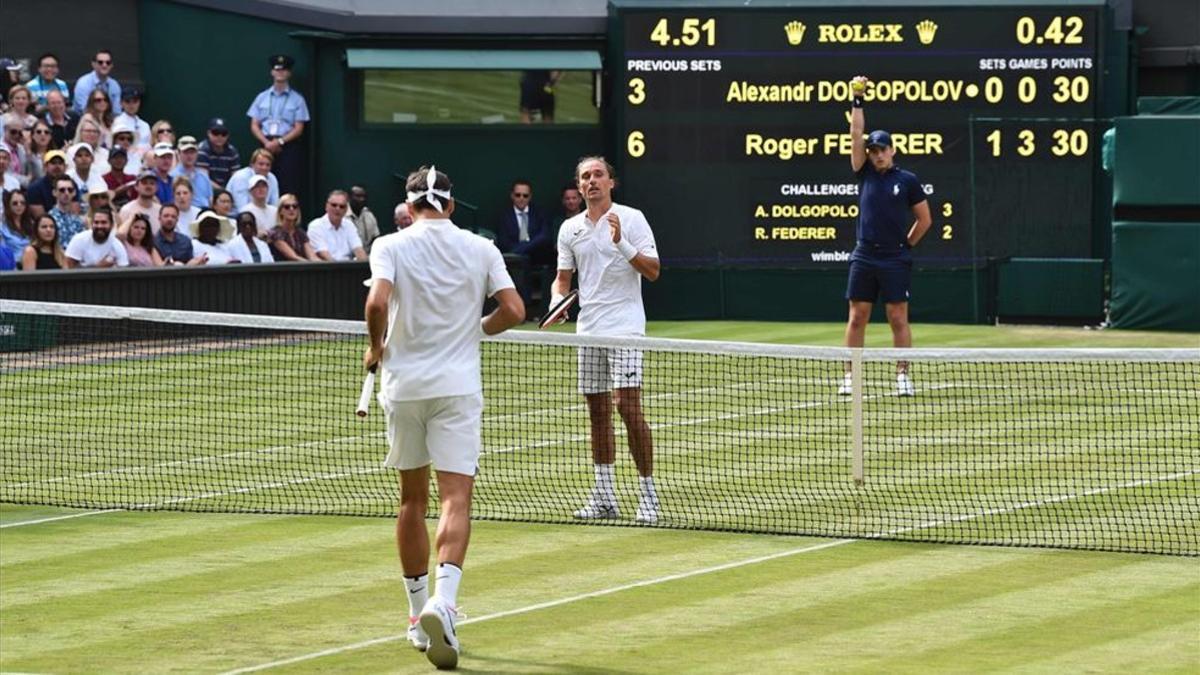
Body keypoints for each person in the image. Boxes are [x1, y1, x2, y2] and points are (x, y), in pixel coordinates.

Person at [363, 165, 524, 669]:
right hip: (456, 387)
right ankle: (444, 602)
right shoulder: (481, 247)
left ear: (410, 207)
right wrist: (475, 329)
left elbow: (376, 301)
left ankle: (417, 617)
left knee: (411, 499)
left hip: (404, 388)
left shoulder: (389, 245)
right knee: (456, 496)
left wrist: (375, 347)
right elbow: (516, 310)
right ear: (451, 204)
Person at [551, 156, 662, 524]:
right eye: (586, 177)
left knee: (627, 408)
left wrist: (622, 243)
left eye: (598, 175)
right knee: (597, 412)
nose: (592, 181)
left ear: (611, 182)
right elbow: (563, 279)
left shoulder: (633, 219)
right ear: (579, 187)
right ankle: (604, 496)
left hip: (626, 327)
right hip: (589, 330)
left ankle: (648, 495)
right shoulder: (569, 229)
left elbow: (654, 271)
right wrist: (558, 302)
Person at [838, 75, 932, 398]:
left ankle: (903, 376)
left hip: (894, 257)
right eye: (873, 150)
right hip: (864, 254)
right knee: (857, 316)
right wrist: (857, 98)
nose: (877, 154)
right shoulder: (863, 172)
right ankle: (850, 378)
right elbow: (855, 134)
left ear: (892, 151)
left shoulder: (907, 180)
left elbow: (924, 219)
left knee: (897, 317)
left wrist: (906, 244)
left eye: (882, 149)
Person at [247, 55, 309, 196]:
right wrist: (266, 142)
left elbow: (299, 128)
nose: (280, 73)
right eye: (277, 69)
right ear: (272, 72)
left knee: (287, 184)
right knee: (261, 181)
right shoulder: (261, 97)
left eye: (284, 70)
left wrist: (279, 141)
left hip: (287, 146)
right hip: (265, 145)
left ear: (289, 73)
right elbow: (254, 124)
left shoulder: (297, 99)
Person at [494, 179, 551, 262]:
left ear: (530, 196)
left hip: (536, 259)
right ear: (512, 195)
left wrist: (521, 249)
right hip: (513, 262)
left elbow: (544, 236)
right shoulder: (504, 216)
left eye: (525, 195)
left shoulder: (539, 213)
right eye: (518, 195)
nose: (521, 198)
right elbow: (503, 242)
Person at [308, 190, 366, 261]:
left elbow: (359, 250)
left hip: (349, 268)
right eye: (334, 205)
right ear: (326, 206)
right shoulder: (316, 226)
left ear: (346, 209)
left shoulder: (349, 225)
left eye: (342, 206)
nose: (337, 209)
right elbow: (324, 255)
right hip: (326, 269)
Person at [267, 193, 318, 261]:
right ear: (280, 211)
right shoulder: (275, 233)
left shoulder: (300, 232)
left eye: (295, 206)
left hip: (302, 268)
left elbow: (312, 256)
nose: (291, 209)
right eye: (287, 207)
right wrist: (310, 266)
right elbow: (293, 257)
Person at [73, 50, 122, 115]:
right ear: (93, 64)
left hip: (108, 121)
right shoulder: (83, 83)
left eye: (108, 62)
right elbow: (86, 111)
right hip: (84, 121)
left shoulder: (114, 85)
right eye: (100, 62)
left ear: (111, 65)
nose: (104, 65)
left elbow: (117, 112)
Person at [196, 117, 240, 189]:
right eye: (215, 133)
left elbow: (235, 177)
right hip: (207, 189)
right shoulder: (202, 150)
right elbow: (204, 179)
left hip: (227, 190)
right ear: (208, 133)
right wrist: (222, 191)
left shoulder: (232, 151)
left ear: (228, 135)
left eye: (223, 133)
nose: (219, 136)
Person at [171, 135, 212, 208]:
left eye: (192, 152)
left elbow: (210, 199)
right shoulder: (172, 176)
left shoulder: (204, 175)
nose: (189, 156)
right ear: (179, 153)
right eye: (186, 152)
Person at [27, 149, 68, 216]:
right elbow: (40, 218)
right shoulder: (35, 188)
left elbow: (73, 212)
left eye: (60, 163)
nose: (57, 166)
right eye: (53, 163)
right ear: (45, 166)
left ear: (65, 167)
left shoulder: (71, 186)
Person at [49, 176, 86, 243]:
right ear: (54, 192)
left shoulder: (77, 221)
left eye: (70, 190)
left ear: (74, 193)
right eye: (62, 190)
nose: (66, 193)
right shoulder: (49, 219)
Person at [347, 184, 379, 252]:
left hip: (367, 255)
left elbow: (375, 237)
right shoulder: (342, 215)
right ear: (349, 197)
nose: (362, 199)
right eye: (358, 196)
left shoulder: (369, 215)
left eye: (363, 196)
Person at [1, 189, 31, 261]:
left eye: (22, 203)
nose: (19, 205)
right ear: (8, 205)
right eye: (15, 203)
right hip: (12, 266)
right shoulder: (2, 227)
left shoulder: (32, 225)